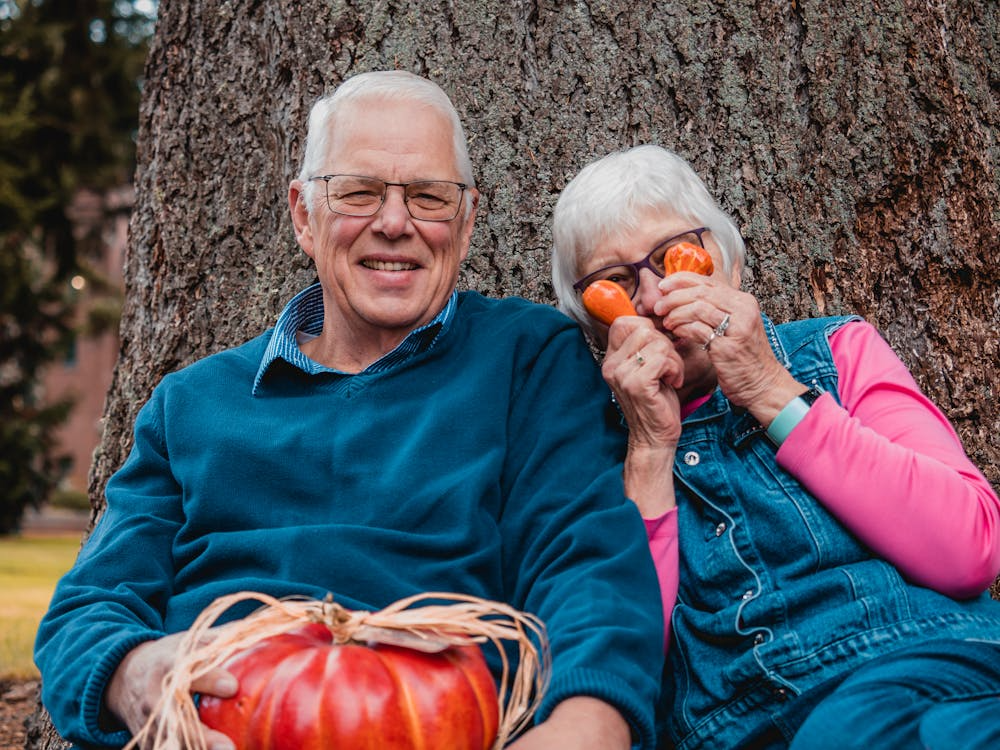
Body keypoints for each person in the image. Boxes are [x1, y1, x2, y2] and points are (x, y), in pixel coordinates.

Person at [35, 72, 665, 750]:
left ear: (467, 219)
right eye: (359, 192)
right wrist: (132, 676)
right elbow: (84, 613)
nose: (394, 224)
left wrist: (583, 726)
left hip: (436, 725)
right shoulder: (190, 405)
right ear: (304, 215)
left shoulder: (527, 360)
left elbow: (588, 565)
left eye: (428, 196)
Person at [550, 143, 1000, 750]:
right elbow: (623, 668)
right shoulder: (594, 449)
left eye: (674, 257)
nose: (654, 300)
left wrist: (770, 391)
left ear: (731, 266)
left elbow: (967, 549)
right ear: (595, 332)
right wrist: (651, 451)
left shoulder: (837, 352)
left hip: (923, 667)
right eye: (615, 284)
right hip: (736, 729)